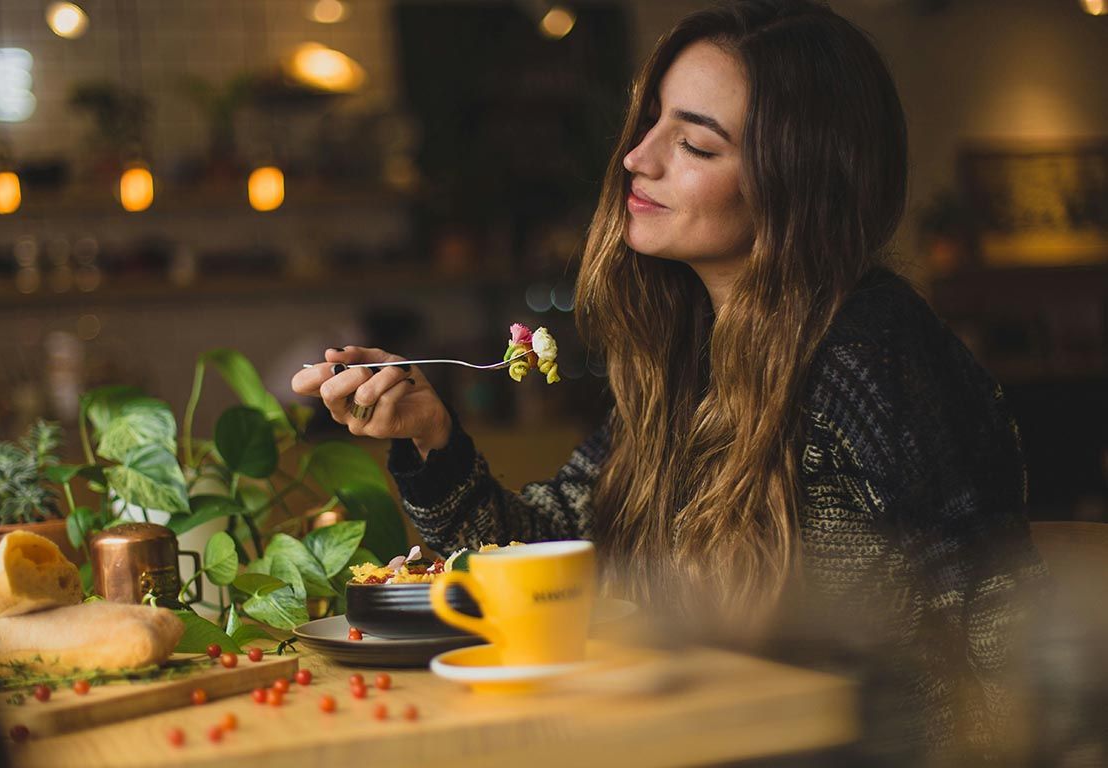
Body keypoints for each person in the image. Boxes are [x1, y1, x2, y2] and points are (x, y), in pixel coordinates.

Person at [292, 0, 1045, 758]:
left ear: (798, 184)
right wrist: (432, 437)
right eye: (649, 122)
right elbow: (550, 561)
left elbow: (998, 626)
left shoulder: (873, 354)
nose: (636, 158)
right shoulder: (688, 361)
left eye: (694, 143)